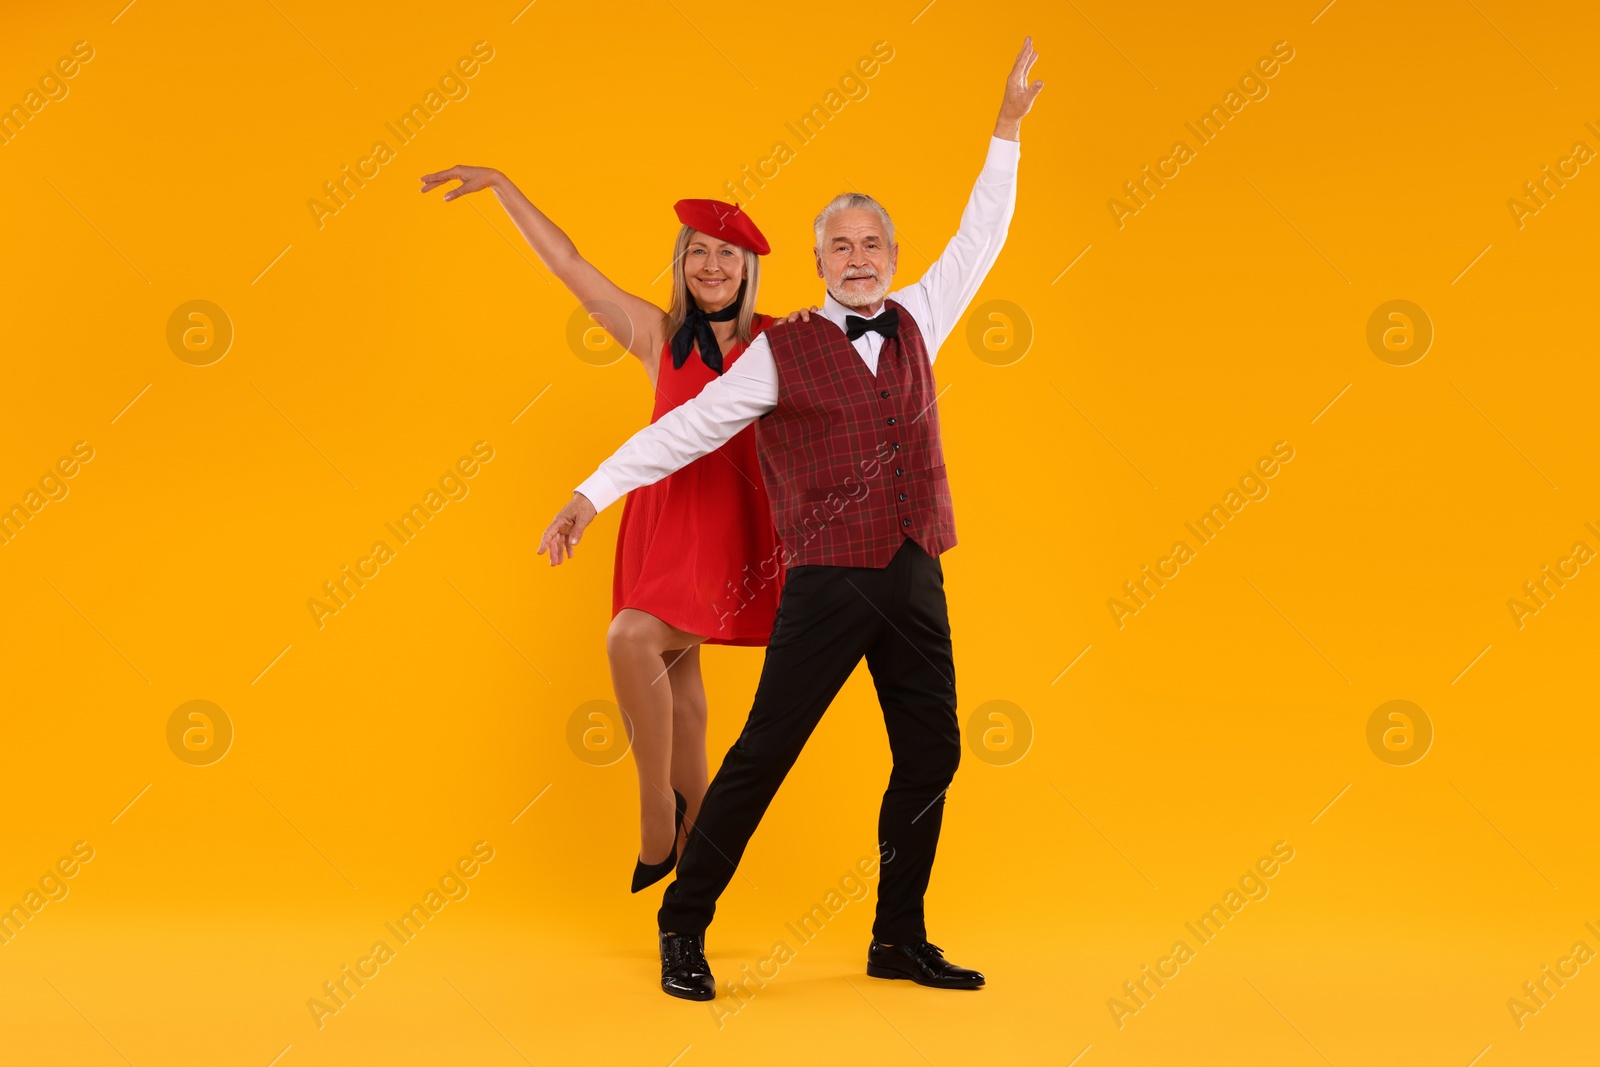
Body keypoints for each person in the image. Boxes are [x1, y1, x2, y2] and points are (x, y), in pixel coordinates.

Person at [537, 37, 1044, 999]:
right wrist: (589, 494)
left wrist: (1006, 129)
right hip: (825, 581)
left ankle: (898, 935)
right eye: (841, 246)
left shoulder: (921, 317)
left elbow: (983, 232)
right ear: (817, 263)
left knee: (933, 749)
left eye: (873, 245)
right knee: (766, 753)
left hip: (912, 570)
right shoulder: (782, 353)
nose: (859, 259)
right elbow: (682, 430)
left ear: (892, 258)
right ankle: (681, 922)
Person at [420, 164, 788, 893]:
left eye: (727, 254)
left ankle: (659, 812)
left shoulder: (781, 343)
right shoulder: (659, 336)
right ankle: (702, 838)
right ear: (682, 263)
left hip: (729, 525)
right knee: (679, 682)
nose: (711, 265)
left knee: (632, 638)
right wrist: (503, 187)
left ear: (748, 271)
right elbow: (569, 264)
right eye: (697, 251)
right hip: (660, 519)